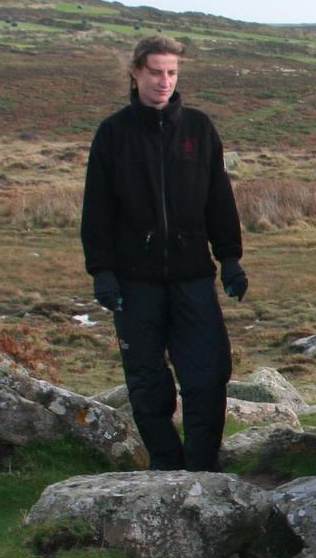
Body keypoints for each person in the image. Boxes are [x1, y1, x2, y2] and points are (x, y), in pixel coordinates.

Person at [81, 34, 248, 471]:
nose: (164, 81)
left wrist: (229, 258)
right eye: (155, 71)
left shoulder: (199, 129)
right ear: (135, 72)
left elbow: (219, 199)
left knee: (208, 374)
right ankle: (165, 464)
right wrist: (102, 271)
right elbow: (96, 209)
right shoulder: (113, 134)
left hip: (193, 275)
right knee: (147, 379)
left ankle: (202, 467)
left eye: (172, 72)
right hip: (134, 282)